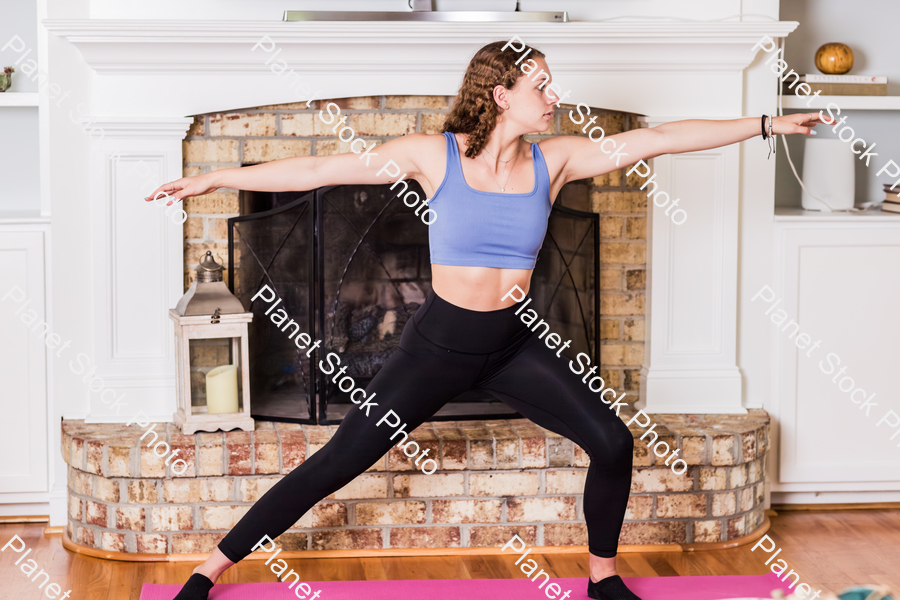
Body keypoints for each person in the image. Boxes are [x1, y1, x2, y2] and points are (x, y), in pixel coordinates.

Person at [148, 40, 820, 600]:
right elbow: (325, 167)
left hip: (511, 345)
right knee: (339, 460)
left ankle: (601, 576)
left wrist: (764, 125)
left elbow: (662, 138)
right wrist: (213, 181)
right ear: (500, 94)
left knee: (613, 442)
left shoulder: (552, 162)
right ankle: (212, 568)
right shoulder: (432, 154)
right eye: (542, 85)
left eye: (552, 85)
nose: (554, 97)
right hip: (437, 347)